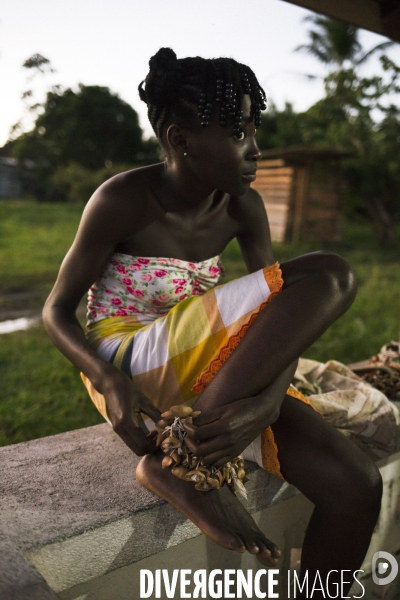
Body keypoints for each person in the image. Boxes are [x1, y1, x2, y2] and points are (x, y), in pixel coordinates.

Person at [43, 48, 382, 597]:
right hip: (130, 360)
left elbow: (278, 313)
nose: (256, 149)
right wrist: (108, 381)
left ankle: (179, 454)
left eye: (254, 129)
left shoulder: (241, 206)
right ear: (180, 140)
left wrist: (266, 405)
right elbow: (54, 310)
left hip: (208, 361)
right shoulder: (121, 199)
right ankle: (180, 456)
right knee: (332, 274)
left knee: (357, 486)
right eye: (239, 133)